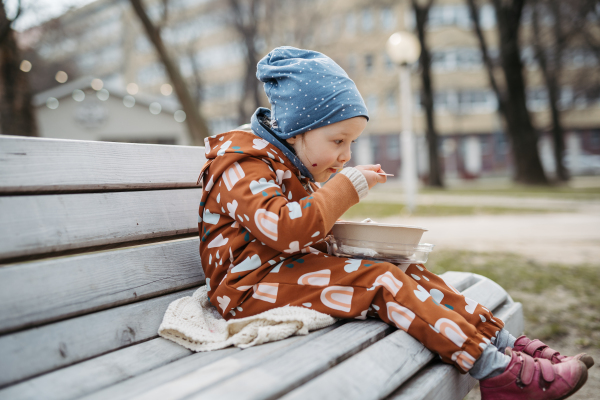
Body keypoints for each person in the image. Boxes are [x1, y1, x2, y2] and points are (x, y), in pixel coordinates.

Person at [196, 46, 593, 400]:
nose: (346, 154)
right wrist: (345, 189)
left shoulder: (286, 160)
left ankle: (508, 346)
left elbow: (298, 235)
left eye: (351, 143)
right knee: (381, 281)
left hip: (284, 272)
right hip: (248, 289)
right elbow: (284, 230)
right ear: (298, 130)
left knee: (405, 270)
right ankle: (497, 374)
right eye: (338, 141)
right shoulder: (240, 163)